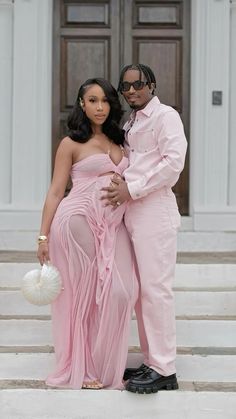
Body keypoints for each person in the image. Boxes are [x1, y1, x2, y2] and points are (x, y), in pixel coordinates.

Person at [37, 77, 138, 390]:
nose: (99, 107)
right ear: (81, 104)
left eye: (105, 100)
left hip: (113, 225)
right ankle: (85, 368)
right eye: (92, 100)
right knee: (87, 293)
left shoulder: (122, 140)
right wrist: (42, 237)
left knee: (124, 291)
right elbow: (56, 191)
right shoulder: (71, 143)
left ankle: (107, 363)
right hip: (77, 219)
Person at [101, 64, 187, 394]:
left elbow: (173, 164)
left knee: (156, 292)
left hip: (155, 211)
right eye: (126, 87)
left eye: (138, 84)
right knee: (140, 294)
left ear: (151, 84)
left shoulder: (166, 117)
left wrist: (132, 188)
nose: (132, 91)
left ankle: (165, 369)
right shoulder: (130, 121)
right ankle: (153, 361)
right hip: (132, 215)